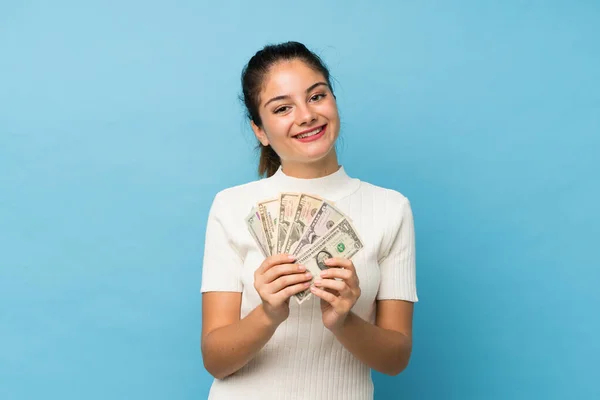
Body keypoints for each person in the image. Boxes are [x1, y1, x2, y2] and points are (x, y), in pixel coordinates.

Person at [200, 41, 418, 400]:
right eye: (283, 107)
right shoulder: (231, 206)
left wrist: (344, 321)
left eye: (316, 97)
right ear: (260, 131)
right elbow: (215, 360)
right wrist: (268, 314)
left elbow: (396, 359)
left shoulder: (391, 208)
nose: (306, 115)